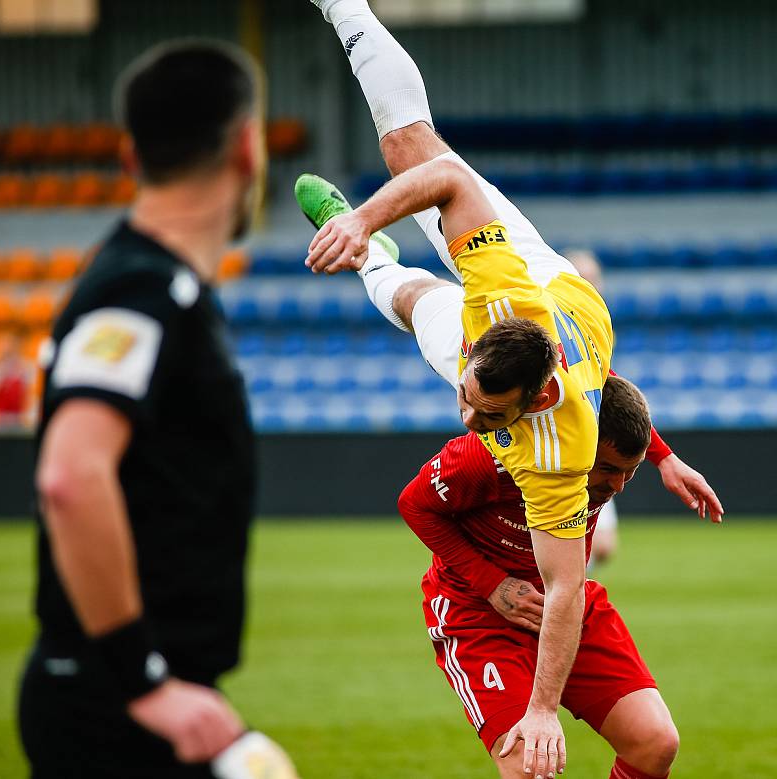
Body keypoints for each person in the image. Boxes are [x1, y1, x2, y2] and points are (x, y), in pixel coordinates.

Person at [299, 3, 723, 777]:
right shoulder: (499, 301)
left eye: (485, 412)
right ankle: (344, 8)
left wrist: (539, 708)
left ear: (531, 403)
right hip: (539, 287)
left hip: (555, 323)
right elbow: (448, 179)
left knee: (410, 294)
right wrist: (360, 217)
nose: (464, 416)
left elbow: (565, 590)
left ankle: (378, 263)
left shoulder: (556, 453)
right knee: (410, 150)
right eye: (468, 396)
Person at [20, 40, 265, 779]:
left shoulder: (160, 289)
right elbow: (70, 473)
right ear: (248, 149)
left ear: (131, 156)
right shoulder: (143, 292)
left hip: (128, 696)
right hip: (115, 705)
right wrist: (144, 678)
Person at [398, 375, 681, 779]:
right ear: (576, 438)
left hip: (564, 603)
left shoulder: (596, 463)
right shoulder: (488, 457)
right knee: (529, 766)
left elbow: (599, 380)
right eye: (607, 470)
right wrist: (492, 584)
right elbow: (414, 504)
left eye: (629, 473)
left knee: (655, 743)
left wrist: (665, 457)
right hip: (479, 615)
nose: (616, 486)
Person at [561, 248, 618, 566]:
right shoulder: (550, 320)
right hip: (553, 451)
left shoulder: (598, 323)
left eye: (594, 279)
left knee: (602, 549)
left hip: (591, 449)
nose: (591, 285)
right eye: (584, 278)